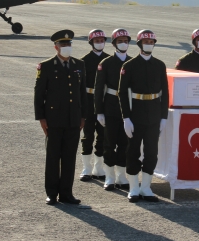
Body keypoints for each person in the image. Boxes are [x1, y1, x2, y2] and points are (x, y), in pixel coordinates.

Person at [34, 30, 87, 205]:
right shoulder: (46, 66)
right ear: (56, 47)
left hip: (73, 119)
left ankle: (66, 193)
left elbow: (82, 92)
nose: (66, 47)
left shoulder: (79, 65)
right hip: (54, 119)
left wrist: (83, 116)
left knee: (69, 158)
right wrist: (41, 118)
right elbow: (39, 93)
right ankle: (51, 193)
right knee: (53, 157)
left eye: (69, 44)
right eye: (63, 44)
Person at [118, 29, 169, 203]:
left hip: (154, 114)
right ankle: (133, 188)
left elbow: (165, 92)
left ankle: (146, 187)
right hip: (136, 114)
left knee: (151, 152)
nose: (149, 45)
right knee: (133, 151)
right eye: (146, 42)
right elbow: (122, 93)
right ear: (140, 44)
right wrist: (126, 118)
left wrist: (163, 117)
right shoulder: (129, 66)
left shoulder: (160, 65)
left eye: (151, 42)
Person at [94, 28, 132, 191]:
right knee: (109, 143)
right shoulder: (106, 63)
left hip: (127, 109)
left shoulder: (132, 62)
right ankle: (109, 177)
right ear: (114, 43)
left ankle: (121, 176)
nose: (123, 44)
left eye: (126, 41)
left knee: (124, 143)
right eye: (120, 41)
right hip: (110, 107)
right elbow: (98, 89)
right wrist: (99, 111)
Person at [79, 29, 110, 182]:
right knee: (88, 135)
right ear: (91, 42)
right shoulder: (83, 61)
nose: (100, 43)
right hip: (89, 100)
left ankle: (98, 167)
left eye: (102, 40)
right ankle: (86, 168)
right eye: (97, 41)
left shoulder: (109, 60)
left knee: (102, 135)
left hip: (104, 101)